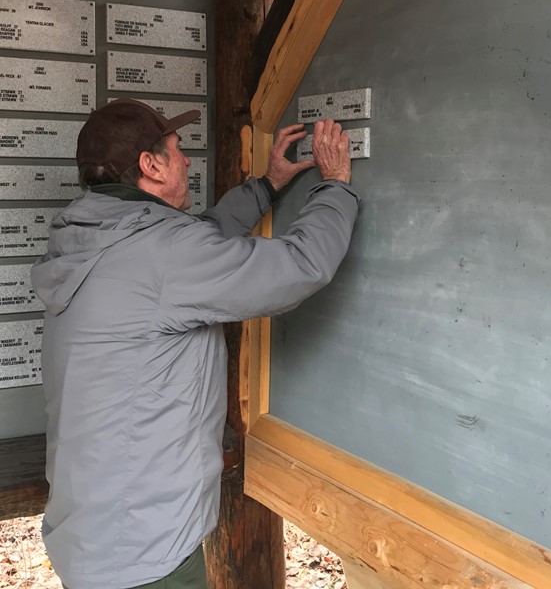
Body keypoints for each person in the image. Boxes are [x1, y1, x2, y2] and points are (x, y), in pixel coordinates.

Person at [31, 98, 359, 589]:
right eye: (176, 149)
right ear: (150, 164)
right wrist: (334, 185)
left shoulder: (96, 237)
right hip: (143, 549)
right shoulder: (164, 257)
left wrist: (266, 187)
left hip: (94, 530)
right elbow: (299, 267)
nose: (186, 160)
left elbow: (196, 241)